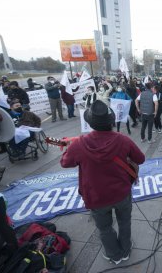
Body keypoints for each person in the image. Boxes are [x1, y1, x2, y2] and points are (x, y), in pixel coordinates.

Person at [60, 100, 145, 265]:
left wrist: (70, 149)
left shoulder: (79, 144)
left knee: (104, 228)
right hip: (121, 193)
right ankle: (125, 249)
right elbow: (140, 159)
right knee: (124, 222)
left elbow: (65, 162)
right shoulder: (122, 140)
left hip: (96, 196)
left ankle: (114, 254)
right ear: (111, 121)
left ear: (91, 123)